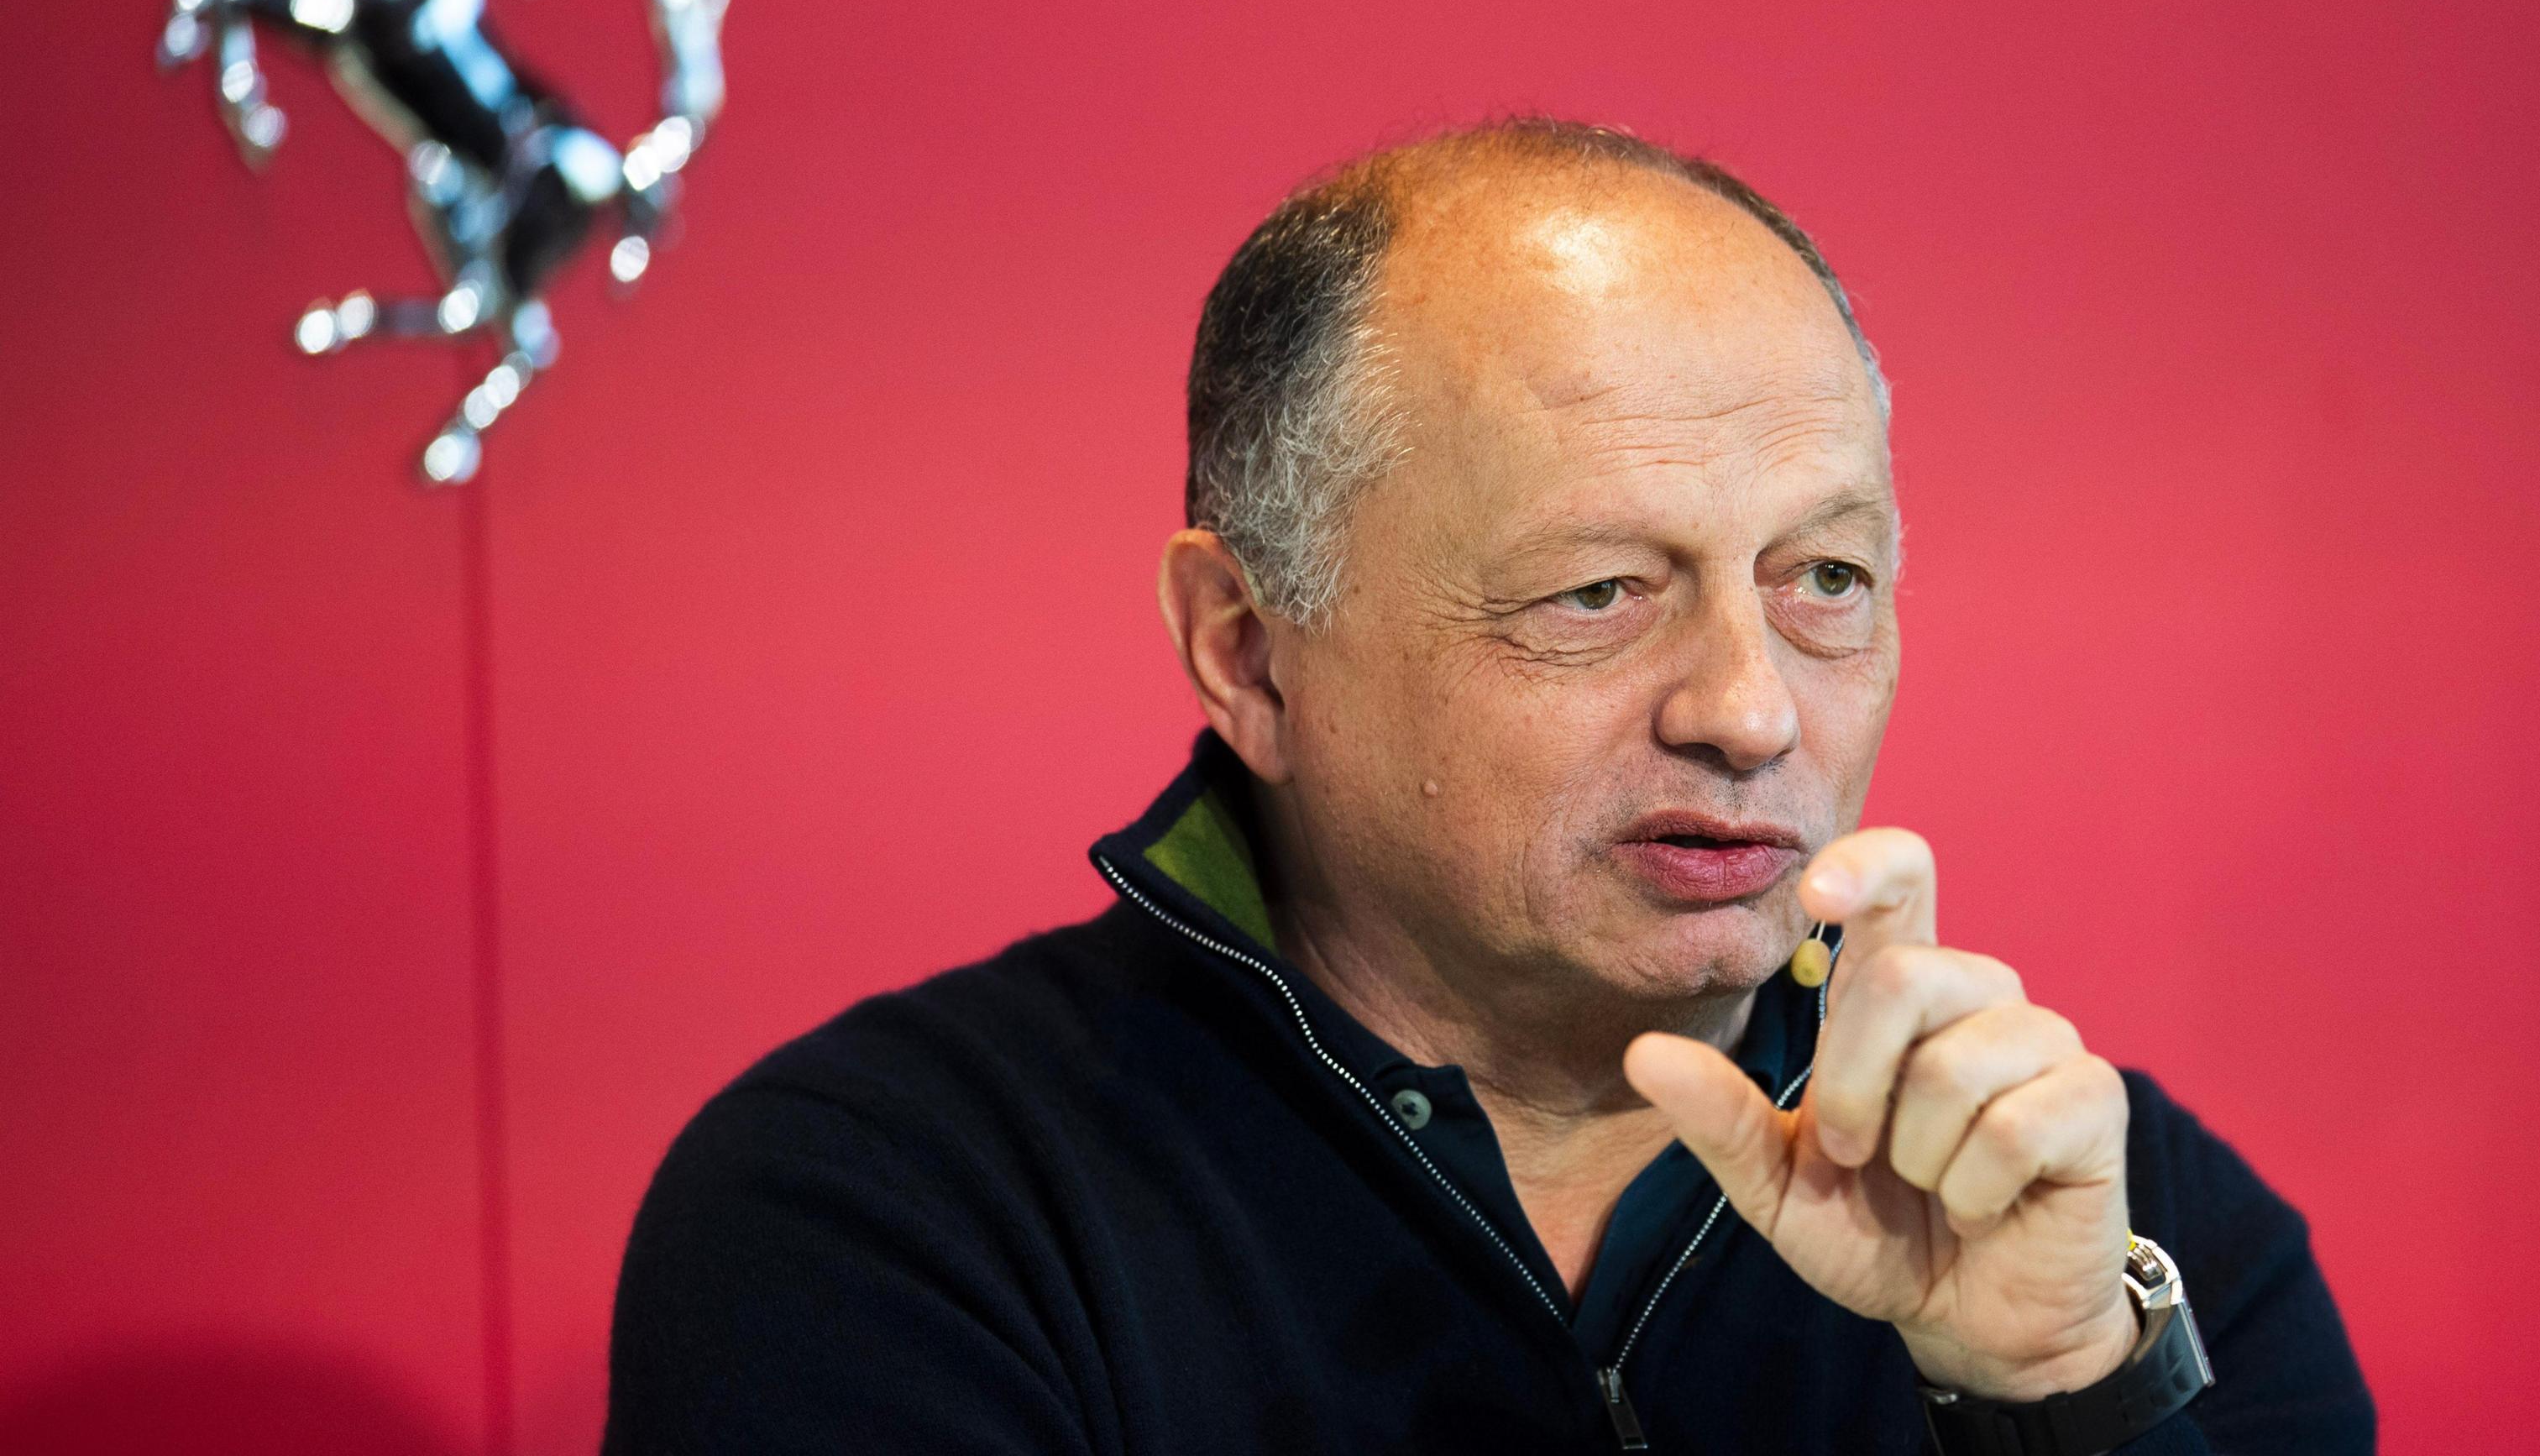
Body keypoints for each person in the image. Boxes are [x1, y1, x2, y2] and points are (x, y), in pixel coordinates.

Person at [604, 119, 2375, 1454]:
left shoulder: (2113, 1212)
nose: (1752, 713)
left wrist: (2061, 1401)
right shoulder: (893, 1209)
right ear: (1247, 646)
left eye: (1824, 579)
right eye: (1598, 592)